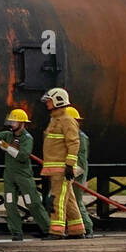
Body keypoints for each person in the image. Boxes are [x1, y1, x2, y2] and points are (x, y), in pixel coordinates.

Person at [0, 109, 50, 241]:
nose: (11, 124)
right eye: (11, 121)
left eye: (14, 121)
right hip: (9, 175)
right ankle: (16, 232)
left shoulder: (27, 138)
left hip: (23, 176)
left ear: (22, 123)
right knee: (9, 203)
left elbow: (23, 156)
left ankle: (47, 230)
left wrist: (7, 147)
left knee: (32, 203)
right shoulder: (8, 135)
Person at [39, 87, 85, 239]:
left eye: (49, 101)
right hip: (54, 168)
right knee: (69, 200)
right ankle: (77, 230)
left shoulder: (67, 120)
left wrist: (70, 165)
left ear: (58, 101)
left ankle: (57, 231)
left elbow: (74, 143)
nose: (47, 104)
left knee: (57, 200)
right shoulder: (55, 120)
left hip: (61, 169)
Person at [69, 106, 94, 238]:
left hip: (77, 174)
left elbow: (82, 162)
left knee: (76, 202)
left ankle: (88, 228)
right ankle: (75, 228)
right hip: (71, 173)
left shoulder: (80, 137)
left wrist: (72, 174)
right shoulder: (71, 135)